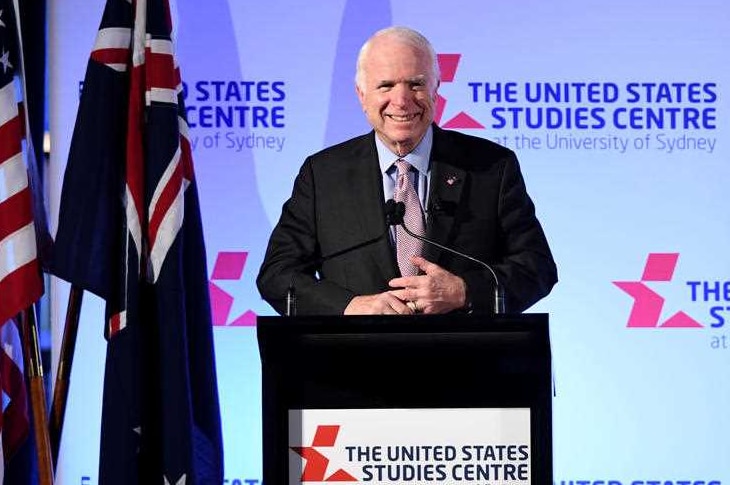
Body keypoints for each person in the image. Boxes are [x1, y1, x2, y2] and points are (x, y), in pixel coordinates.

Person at [256, 26, 557, 316]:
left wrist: (464, 291)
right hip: (354, 360)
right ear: (361, 95)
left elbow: (537, 267)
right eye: (385, 85)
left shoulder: (491, 167)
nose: (401, 101)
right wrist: (350, 306)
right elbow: (278, 274)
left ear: (436, 89)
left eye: (415, 84)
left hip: (465, 359)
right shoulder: (323, 175)